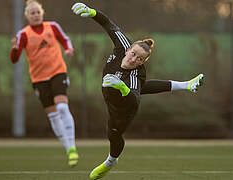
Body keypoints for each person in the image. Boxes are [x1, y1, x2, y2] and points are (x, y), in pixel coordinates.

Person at [71, 2, 204, 179]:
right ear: (128, 49)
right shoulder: (122, 45)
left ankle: (111, 161)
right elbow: (108, 24)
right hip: (115, 92)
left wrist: (121, 86)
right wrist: (91, 11)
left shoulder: (136, 74)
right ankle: (186, 85)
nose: (133, 59)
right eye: (133, 54)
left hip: (124, 106)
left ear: (143, 62)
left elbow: (134, 99)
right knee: (142, 87)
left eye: (139, 59)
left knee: (113, 132)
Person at [10, 0, 78, 167]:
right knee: (53, 115)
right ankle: (68, 148)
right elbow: (14, 59)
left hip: (58, 72)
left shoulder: (52, 26)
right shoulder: (23, 34)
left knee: (62, 107)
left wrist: (68, 49)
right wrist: (14, 49)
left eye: (38, 12)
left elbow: (65, 40)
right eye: (32, 13)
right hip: (39, 79)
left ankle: (73, 147)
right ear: (27, 16)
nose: (35, 15)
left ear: (42, 13)